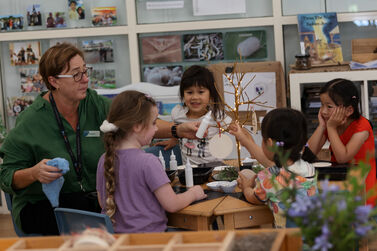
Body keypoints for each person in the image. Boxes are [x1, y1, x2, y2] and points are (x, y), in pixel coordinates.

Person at [0, 43, 201, 236]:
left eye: (86, 71)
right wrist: (34, 173)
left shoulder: (92, 102)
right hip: (43, 205)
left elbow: (135, 121)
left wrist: (178, 130)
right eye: (76, 74)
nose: (85, 79)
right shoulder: (30, 121)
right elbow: (5, 176)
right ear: (54, 81)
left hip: (90, 201)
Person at [96, 90, 206, 233]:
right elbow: (171, 204)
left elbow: (102, 201)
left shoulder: (103, 159)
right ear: (137, 126)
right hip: (151, 241)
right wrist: (194, 193)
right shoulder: (148, 162)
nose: (156, 128)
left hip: (116, 242)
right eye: (154, 123)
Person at [229, 108, 318, 228]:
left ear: (270, 143)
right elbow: (274, 166)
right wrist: (244, 139)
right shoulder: (308, 168)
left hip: (289, 242)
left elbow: (253, 197)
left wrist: (246, 187)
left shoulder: (270, 179)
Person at [308, 78, 376, 206]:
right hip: (338, 182)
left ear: (349, 110)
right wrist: (322, 126)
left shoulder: (362, 127)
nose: (323, 111)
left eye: (329, 106)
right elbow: (308, 153)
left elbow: (342, 158)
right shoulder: (330, 124)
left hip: (362, 189)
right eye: (321, 105)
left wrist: (331, 128)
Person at [156, 65, 231, 165]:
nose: (195, 97)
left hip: (214, 168)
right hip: (189, 170)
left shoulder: (217, 115)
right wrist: (173, 140)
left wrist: (247, 142)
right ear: (183, 94)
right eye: (189, 92)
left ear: (211, 94)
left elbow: (237, 129)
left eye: (201, 92)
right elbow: (177, 130)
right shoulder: (178, 113)